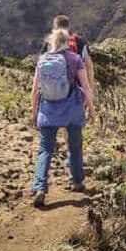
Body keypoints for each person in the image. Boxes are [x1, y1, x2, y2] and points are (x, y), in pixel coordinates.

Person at [30, 28, 95, 207]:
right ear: (67, 42)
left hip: (47, 110)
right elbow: (86, 87)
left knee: (45, 149)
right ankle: (77, 181)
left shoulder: (42, 60)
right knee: (75, 145)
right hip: (72, 110)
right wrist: (91, 109)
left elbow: (35, 90)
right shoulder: (75, 59)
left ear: (51, 42)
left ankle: (40, 187)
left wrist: (34, 112)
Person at [40, 15, 94, 92]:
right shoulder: (79, 41)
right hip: (75, 90)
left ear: (54, 28)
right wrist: (90, 88)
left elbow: (40, 65)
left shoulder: (49, 43)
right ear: (68, 26)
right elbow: (89, 66)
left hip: (53, 90)